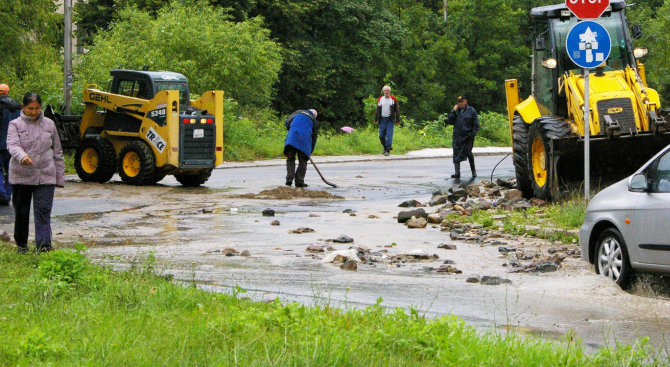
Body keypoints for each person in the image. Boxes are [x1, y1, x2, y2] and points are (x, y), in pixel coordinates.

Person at [7, 92, 65, 253]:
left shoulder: (49, 124)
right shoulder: (15, 124)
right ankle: (22, 246)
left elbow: (57, 151)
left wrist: (59, 177)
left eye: (37, 108)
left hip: (45, 175)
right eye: (30, 108)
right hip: (21, 175)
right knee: (21, 212)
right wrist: (22, 156)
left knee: (43, 210)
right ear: (23, 107)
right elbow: (12, 145)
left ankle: (44, 245)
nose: (33, 112)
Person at [446, 94, 479, 178]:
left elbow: (476, 125)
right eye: (459, 102)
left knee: (469, 153)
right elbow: (449, 121)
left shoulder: (472, 111)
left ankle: (473, 171)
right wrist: (453, 111)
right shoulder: (457, 111)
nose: (460, 104)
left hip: (467, 137)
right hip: (458, 136)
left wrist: (471, 135)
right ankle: (457, 173)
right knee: (456, 154)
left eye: (461, 102)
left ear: (465, 102)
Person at [284, 109, 318, 187]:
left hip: (291, 138)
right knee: (303, 160)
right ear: (314, 115)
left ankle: (289, 179)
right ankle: (299, 181)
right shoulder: (314, 120)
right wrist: (309, 152)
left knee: (290, 159)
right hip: (304, 140)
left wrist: (292, 130)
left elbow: (287, 123)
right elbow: (314, 138)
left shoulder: (296, 112)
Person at [0, 84, 21, 205]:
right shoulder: (17, 106)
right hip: (13, 145)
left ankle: (2, 195)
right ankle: (7, 194)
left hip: (1, 144)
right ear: (7, 92)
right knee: (10, 171)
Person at [374, 85, 400, 156]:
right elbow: (378, 110)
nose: (386, 92)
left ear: (390, 92)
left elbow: (397, 110)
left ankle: (388, 149)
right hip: (382, 119)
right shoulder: (380, 99)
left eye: (388, 91)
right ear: (383, 91)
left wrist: (398, 120)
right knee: (381, 135)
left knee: (389, 134)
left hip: (390, 119)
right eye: (385, 91)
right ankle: (385, 147)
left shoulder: (393, 100)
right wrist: (376, 119)